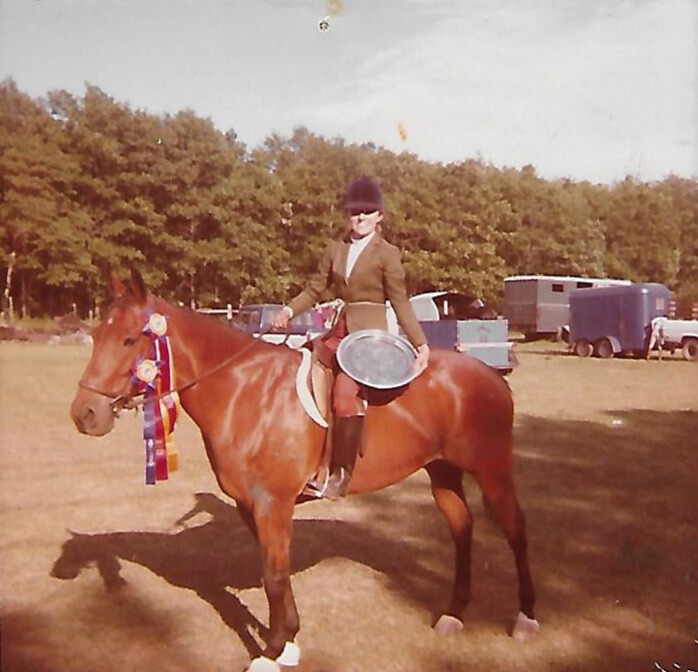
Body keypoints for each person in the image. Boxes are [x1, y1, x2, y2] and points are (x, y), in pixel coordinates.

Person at [272, 177, 430, 499]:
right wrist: (289, 311)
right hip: (338, 331)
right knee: (300, 371)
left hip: (369, 337)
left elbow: (400, 301)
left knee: (344, 395)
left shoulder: (387, 254)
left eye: (367, 213)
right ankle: (304, 460)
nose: (359, 218)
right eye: (354, 212)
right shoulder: (336, 248)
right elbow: (315, 289)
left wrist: (421, 344)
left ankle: (340, 473)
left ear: (379, 216)